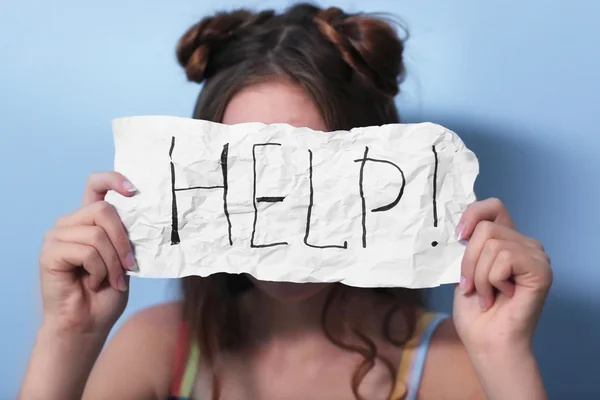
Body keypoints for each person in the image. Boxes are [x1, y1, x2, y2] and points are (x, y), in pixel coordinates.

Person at [19, 3, 552, 400]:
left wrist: (503, 354)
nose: (275, 205)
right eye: (246, 166)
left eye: (311, 166)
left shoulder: (446, 362)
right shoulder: (157, 348)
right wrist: (68, 334)